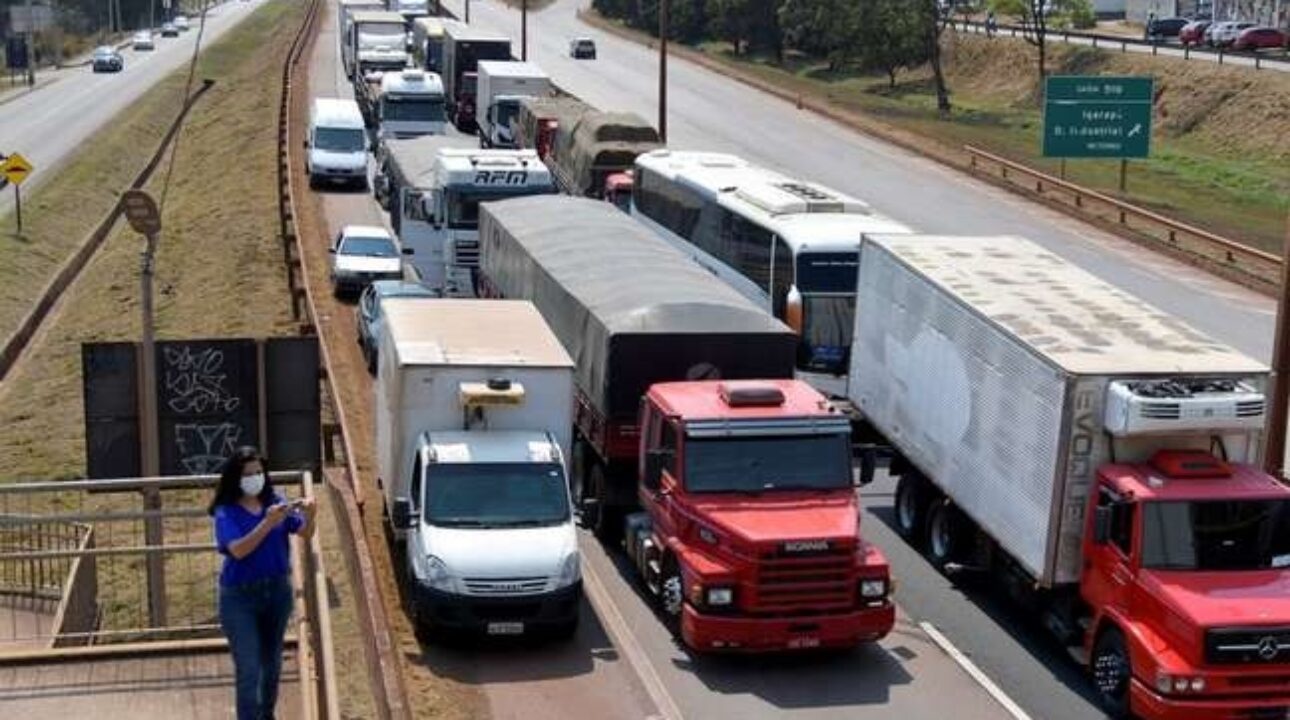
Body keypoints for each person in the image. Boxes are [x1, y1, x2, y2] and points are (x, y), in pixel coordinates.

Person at [209, 446, 316, 720]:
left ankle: (266, 714)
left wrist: (310, 514)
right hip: (239, 599)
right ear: (236, 478)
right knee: (249, 668)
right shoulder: (226, 512)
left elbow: (304, 531)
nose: (255, 478)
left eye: (258, 472)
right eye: (248, 474)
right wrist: (267, 523)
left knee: (271, 665)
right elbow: (238, 550)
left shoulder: (275, 501)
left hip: (277, 593)